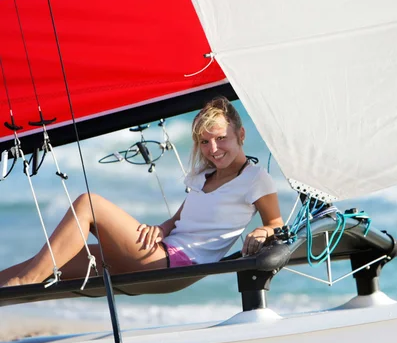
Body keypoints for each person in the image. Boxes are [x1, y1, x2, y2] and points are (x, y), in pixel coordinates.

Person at [0, 97, 283, 287]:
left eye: (222, 138)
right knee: (50, 262)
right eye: (205, 141)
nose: (213, 149)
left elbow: (275, 223)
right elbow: (180, 220)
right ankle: (18, 282)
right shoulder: (203, 176)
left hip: (173, 264)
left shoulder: (255, 178)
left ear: (241, 135)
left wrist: (262, 232)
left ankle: (24, 282)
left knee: (89, 204)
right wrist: (162, 228)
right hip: (161, 250)